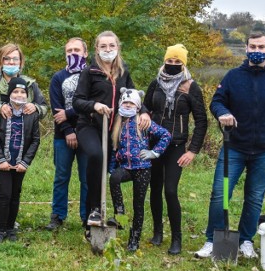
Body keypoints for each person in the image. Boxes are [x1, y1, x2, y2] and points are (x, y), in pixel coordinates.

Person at [195, 32, 265, 259]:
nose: (257, 50)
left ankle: (245, 240)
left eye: (261, 46)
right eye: (253, 46)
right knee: (220, 194)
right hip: (234, 147)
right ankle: (213, 239)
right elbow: (217, 101)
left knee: (254, 196)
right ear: (246, 48)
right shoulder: (233, 76)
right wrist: (223, 113)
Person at [73, 30, 151, 237]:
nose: (108, 50)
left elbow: (134, 95)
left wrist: (143, 112)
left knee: (108, 169)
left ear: (117, 47)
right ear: (97, 49)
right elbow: (77, 101)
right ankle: (94, 210)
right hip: (89, 126)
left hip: (113, 129)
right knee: (96, 156)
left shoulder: (123, 72)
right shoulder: (89, 72)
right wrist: (95, 105)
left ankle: (106, 216)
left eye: (111, 46)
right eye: (103, 46)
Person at [0, 43, 47, 234]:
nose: (11, 62)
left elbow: (45, 108)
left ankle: (8, 221)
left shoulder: (30, 84)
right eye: (7, 58)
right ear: (1, 60)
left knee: (14, 185)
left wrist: (35, 108)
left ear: (21, 62)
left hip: (20, 141)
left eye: (15, 58)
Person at [144, 44, 208, 255]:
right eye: (169, 61)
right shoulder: (156, 83)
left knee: (170, 190)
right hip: (154, 144)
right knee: (154, 189)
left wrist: (192, 150)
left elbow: (201, 121)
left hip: (177, 145)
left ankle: (176, 238)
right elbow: (145, 107)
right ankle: (157, 232)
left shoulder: (191, 87)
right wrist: (144, 114)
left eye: (177, 62)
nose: (172, 65)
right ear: (164, 62)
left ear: (183, 64)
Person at [109, 88, 171, 251]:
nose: (128, 105)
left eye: (131, 103)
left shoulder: (143, 122)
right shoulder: (118, 123)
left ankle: (134, 238)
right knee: (114, 178)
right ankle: (119, 214)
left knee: (139, 204)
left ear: (137, 106)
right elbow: (114, 149)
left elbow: (166, 135)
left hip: (142, 169)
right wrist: (111, 168)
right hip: (126, 167)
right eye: (125, 102)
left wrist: (154, 152)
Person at [0, 77, 41, 243]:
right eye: (16, 91)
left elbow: (35, 139)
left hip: (20, 163)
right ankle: (0, 229)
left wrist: (25, 162)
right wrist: (0, 158)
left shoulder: (31, 115)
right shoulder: (2, 112)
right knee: (4, 194)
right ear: (10, 94)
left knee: (15, 194)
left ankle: (11, 228)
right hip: (3, 162)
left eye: (23, 92)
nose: (19, 95)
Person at [45, 38, 89, 231]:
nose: (73, 53)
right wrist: (69, 131)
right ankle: (57, 216)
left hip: (88, 134)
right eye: (69, 50)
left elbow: (91, 106)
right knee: (61, 176)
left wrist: (71, 114)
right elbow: (57, 110)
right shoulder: (58, 78)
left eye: (77, 50)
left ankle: (88, 216)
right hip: (62, 136)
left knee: (87, 177)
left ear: (85, 53)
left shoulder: (93, 76)